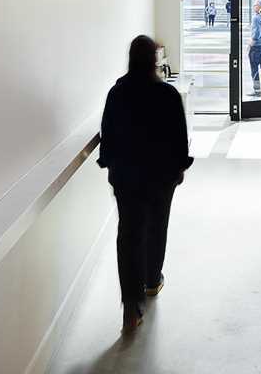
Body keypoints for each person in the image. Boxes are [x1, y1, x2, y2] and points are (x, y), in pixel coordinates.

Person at [98, 35, 193, 334]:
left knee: (128, 236)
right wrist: (179, 169)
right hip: (160, 178)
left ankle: (131, 307)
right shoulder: (167, 95)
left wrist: (111, 165)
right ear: (154, 60)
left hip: (127, 178)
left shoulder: (118, 93)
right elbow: (179, 140)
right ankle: (152, 280)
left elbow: (108, 135)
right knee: (156, 226)